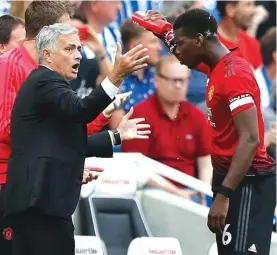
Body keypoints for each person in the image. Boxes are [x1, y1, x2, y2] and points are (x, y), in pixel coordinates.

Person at [4, 23, 150, 255]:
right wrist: (116, 75)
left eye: (79, 49)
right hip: (39, 204)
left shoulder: (48, 86)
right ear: (47, 55)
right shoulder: (45, 80)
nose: (78, 56)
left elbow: (65, 142)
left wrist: (115, 136)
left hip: (41, 204)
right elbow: (81, 109)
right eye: (70, 49)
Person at [145, 8, 276, 255]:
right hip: (231, 177)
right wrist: (164, 31)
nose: (176, 52)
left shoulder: (235, 74)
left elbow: (250, 138)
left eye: (180, 43)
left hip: (248, 181)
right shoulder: (216, 67)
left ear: (199, 40)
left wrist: (224, 195)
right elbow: (185, 51)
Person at [121, 54, 213, 202]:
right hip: (153, 192)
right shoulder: (140, 115)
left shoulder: (196, 116)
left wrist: (203, 190)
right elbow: (135, 166)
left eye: (183, 81)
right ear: (157, 81)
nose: (178, 86)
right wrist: (177, 194)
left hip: (190, 191)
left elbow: (205, 160)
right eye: (173, 80)